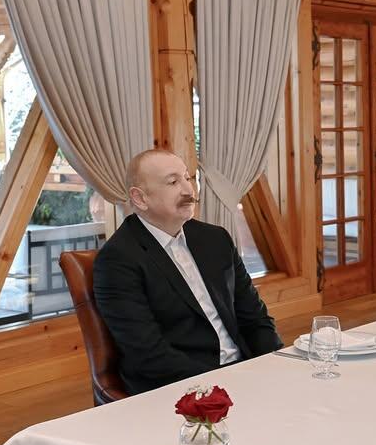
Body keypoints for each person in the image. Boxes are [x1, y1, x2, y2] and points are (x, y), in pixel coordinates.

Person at [93, 148, 282, 395]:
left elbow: (255, 318)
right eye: (173, 182)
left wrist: (274, 364)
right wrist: (221, 386)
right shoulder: (117, 260)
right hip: (179, 389)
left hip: (242, 372)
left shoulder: (215, 239)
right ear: (140, 198)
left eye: (188, 178)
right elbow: (149, 354)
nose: (188, 190)